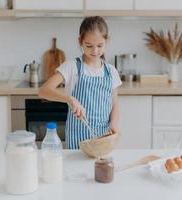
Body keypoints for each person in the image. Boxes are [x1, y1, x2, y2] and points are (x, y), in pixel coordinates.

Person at [39, 16, 122, 149]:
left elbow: (115, 106)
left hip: (103, 138)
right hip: (77, 141)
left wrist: (114, 124)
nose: (95, 51)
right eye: (89, 46)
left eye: (100, 46)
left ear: (107, 41)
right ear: (80, 41)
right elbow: (43, 91)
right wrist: (69, 99)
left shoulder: (111, 71)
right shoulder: (72, 67)